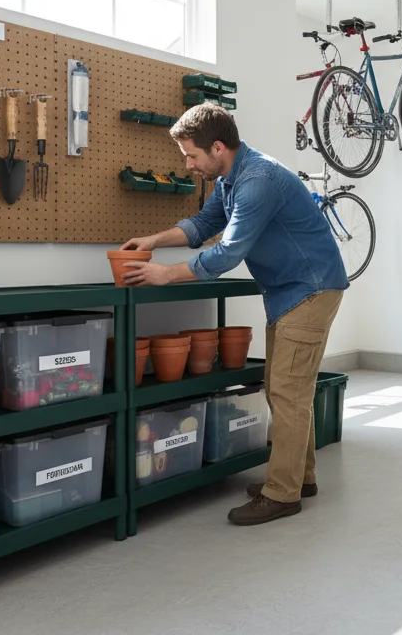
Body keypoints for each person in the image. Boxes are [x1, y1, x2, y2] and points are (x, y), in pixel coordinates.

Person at [119, 103, 348, 526]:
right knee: (286, 387)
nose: (187, 165)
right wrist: (154, 240)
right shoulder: (233, 176)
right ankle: (301, 478)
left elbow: (228, 253)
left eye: (191, 155)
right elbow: (204, 223)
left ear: (218, 147)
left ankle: (283, 493)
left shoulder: (257, 182)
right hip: (290, 291)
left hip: (310, 288)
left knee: (287, 390)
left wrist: (165, 275)